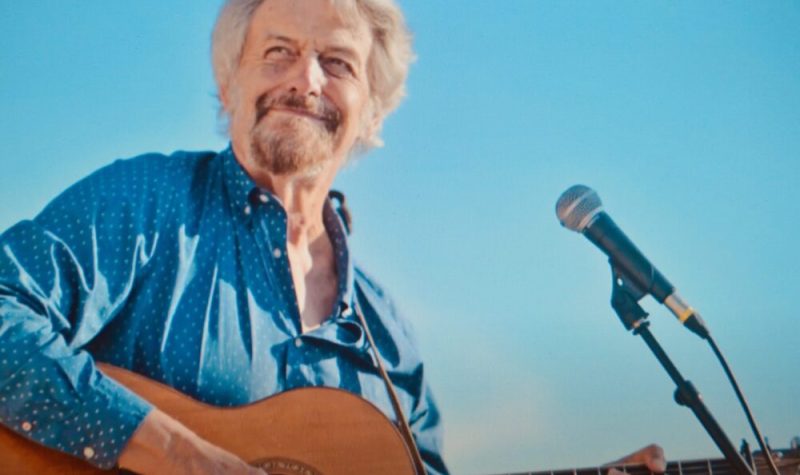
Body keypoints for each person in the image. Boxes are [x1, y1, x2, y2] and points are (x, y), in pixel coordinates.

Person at [0, 0, 666, 473]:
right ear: (230, 81)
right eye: (279, 51)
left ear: (372, 108)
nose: (305, 79)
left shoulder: (389, 336)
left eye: (338, 62)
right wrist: (183, 455)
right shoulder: (144, 205)